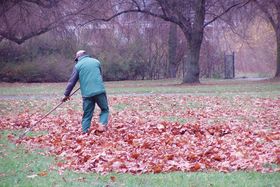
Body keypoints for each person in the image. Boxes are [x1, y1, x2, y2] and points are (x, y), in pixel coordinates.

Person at [62, 50, 109, 134]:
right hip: (99, 91)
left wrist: (66, 95)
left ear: (78, 58)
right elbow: (99, 75)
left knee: (87, 114)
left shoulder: (78, 66)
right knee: (105, 109)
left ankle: (84, 131)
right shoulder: (96, 62)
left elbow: (71, 82)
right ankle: (102, 124)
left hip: (87, 94)